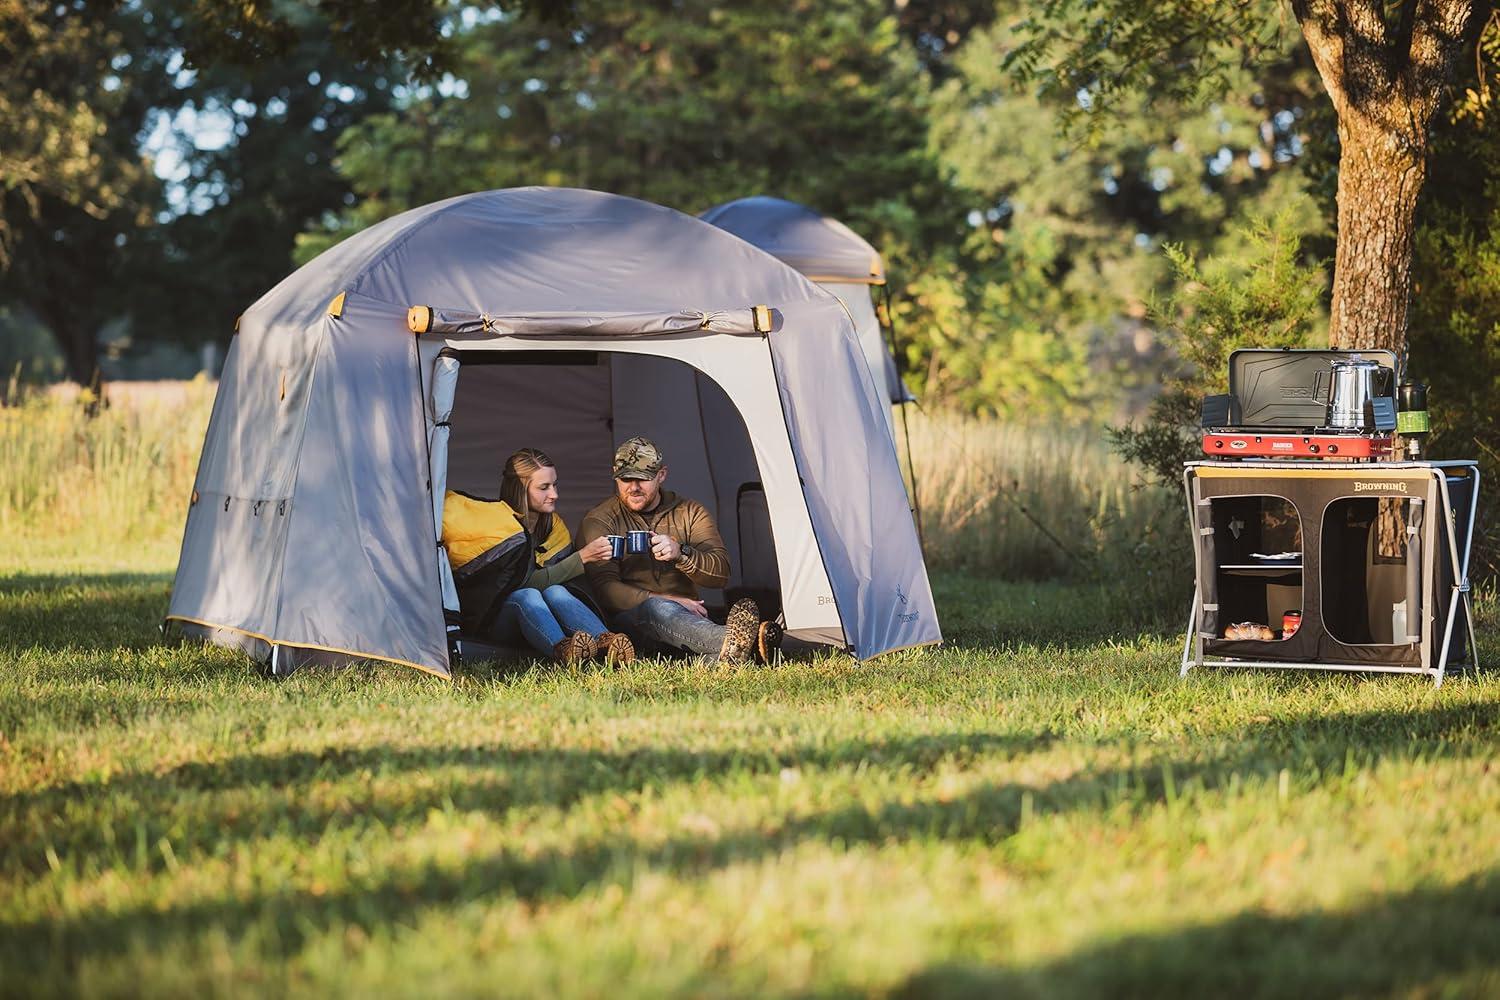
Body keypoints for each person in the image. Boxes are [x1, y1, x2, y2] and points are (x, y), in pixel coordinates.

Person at [579, 436, 780, 664]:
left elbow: (721, 574)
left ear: (661, 475)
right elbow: (604, 590)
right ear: (615, 474)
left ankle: (731, 656)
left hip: (686, 623)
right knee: (657, 608)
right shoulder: (600, 520)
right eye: (626, 479)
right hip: (628, 625)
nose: (634, 487)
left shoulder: (690, 512)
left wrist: (681, 554)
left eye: (643, 479)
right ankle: (746, 641)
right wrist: (666, 599)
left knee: (681, 631)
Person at [442, 447, 635, 664]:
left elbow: (558, 582)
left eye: (555, 485)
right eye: (544, 487)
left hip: (541, 619)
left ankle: (606, 644)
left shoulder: (552, 527)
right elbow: (520, 584)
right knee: (527, 596)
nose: (554, 494)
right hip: (494, 622)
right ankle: (564, 651)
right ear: (521, 490)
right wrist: (581, 558)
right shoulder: (496, 528)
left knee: (557, 591)